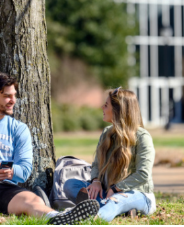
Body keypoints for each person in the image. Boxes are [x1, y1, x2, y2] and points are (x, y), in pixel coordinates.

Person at [0, 71, 100, 224]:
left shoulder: (18, 129)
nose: (13, 100)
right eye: (7, 96)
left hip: (5, 188)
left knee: (32, 200)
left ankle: (59, 218)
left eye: (14, 95)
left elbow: (24, 170)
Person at [63, 87, 156, 222]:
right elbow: (96, 164)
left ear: (119, 111)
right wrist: (96, 181)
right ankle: (118, 209)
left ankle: (92, 219)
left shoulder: (142, 137)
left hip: (137, 194)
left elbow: (143, 174)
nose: (102, 107)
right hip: (107, 191)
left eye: (106, 105)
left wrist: (117, 188)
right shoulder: (107, 132)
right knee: (70, 185)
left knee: (116, 201)